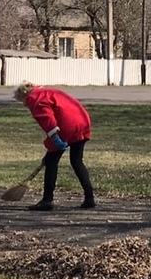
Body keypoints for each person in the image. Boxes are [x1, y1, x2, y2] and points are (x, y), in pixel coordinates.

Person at [14, 81, 95, 211]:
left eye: (22, 102)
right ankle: (89, 198)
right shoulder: (48, 92)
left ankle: (47, 200)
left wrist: (54, 139)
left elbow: (47, 119)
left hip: (67, 125)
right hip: (82, 122)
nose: (24, 105)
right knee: (77, 161)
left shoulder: (34, 98)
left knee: (51, 162)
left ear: (23, 96)